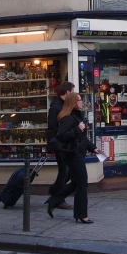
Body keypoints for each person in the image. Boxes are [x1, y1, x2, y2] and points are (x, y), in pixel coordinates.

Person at [48, 93, 100, 223]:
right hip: (72, 155)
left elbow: (82, 139)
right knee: (82, 183)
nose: (82, 102)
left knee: (78, 182)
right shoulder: (68, 118)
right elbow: (62, 136)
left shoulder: (77, 117)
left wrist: (93, 148)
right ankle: (82, 215)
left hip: (78, 153)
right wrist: (77, 129)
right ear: (73, 102)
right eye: (79, 100)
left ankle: (54, 200)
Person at [45, 81, 75, 212]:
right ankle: (58, 199)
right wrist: (53, 144)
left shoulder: (66, 105)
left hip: (67, 144)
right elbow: (51, 127)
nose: (73, 94)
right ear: (67, 92)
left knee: (67, 172)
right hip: (60, 144)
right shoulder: (56, 107)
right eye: (72, 91)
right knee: (65, 172)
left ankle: (55, 191)